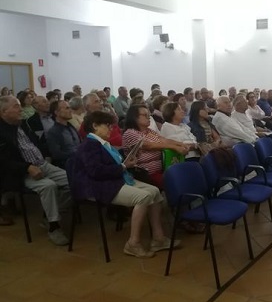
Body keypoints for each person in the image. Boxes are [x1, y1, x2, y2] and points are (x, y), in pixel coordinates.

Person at [73, 111, 178, 258]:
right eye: (107, 126)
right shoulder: (89, 145)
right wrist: (123, 166)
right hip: (99, 186)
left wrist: (126, 163)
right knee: (143, 197)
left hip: (114, 179)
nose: (111, 129)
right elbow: (96, 172)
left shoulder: (102, 144)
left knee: (154, 191)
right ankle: (133, 243)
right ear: (95, 126)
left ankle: (158, 238)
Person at [0, 95, 71, 245]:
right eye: (16, 106)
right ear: (3, 112)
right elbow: (4, 162)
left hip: (42, 164)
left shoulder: (22, 125)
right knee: (49, 186)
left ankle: (49, 215)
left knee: (74, 180)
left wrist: (46, 155)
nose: (21, 109)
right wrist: (27, 167)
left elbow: (36, 144)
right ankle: (54, 227)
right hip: (20, 173)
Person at [122, 104, 190, 189]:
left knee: (186, 175)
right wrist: (174, 147)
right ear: (134, 117)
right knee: (177, 181)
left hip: (162, 169)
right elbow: (149, 145)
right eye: (145, 115)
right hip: (145, 173)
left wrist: (180, 144)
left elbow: (164, 140)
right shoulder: (130, 133)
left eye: (149, 115)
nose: (149, 117)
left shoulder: (149, 131)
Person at [47, 100, 80, 168]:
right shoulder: (53, 132)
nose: (70, 110)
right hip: (69, 165)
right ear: (56, 112)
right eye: (67, 108)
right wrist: (77, 154)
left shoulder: (71, 127)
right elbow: (57, 155)